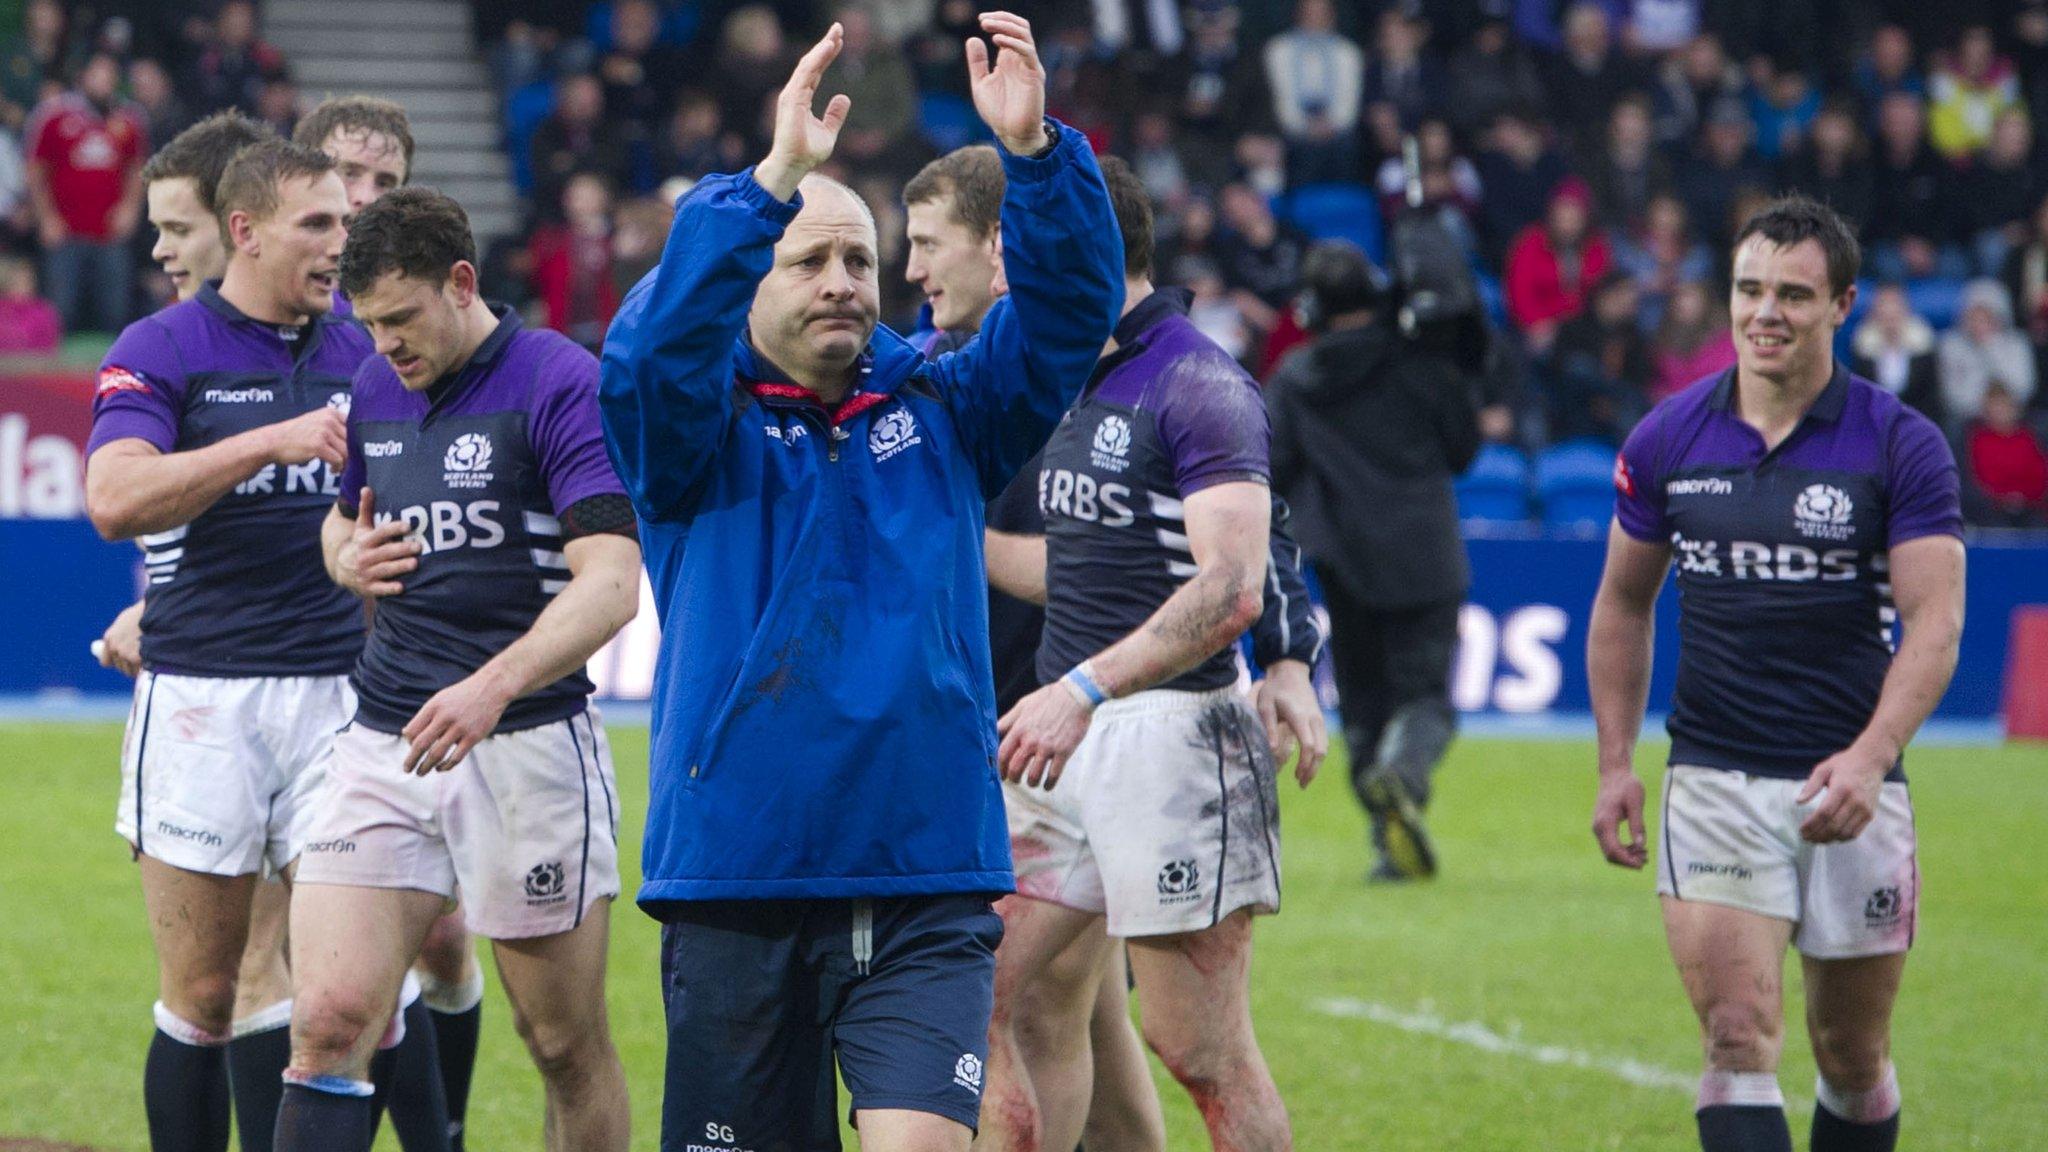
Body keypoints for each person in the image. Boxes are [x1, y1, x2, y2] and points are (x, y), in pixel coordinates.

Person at [598, 15, 1122, 1152]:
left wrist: (1035, 162)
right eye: (807, 259)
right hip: (736, 876)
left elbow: (1074, 314)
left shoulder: (947, 403)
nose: (842, 282)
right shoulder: (685, 437)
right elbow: (644, 355)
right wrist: (769, 180)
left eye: (858, 262)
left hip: (920, 874)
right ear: (747, 280)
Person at [902, 147, 1327, 1152]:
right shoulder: (1027, 367)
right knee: (982, 998)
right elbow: (1075, 562)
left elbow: (1236, 566)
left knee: (1196, 1049)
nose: (913, 269)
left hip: (1155, 730)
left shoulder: (1191, 380)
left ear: (1018, 246)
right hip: (1050, 728)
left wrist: (1284, 656)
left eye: (929, 245)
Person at [1590, 195, 1965, 1152]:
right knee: (1736, 1037)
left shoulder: (1900, 444)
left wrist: (1874, 757)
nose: (1766, 312)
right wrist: (1614, 763)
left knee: (1850, 1053)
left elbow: (1936, 622)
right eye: (1749, 290)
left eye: (1793, 295)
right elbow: (1623, 604)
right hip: (1713, 778)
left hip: (1853, 784)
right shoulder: (1668, 440)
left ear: (1843, 304)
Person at [275, 186, 639, 1152]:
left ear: (462, 282)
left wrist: (493, 686)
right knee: (327, 1023)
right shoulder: (376, 387)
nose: (384, 345)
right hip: (383, 738)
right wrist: (339, 554)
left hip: (525, 746)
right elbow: (342, 520)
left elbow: (611, 586)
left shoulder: (560, 380)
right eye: (367, 326)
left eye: (400, 319)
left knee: (561, 1044)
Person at [81, 137, 369, 1152]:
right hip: (205, 702)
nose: (342, 243)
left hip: (341, 703)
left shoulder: (362, 349)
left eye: (345, 222)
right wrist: (264, 442)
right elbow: (112, 498)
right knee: (204, 993)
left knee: (338, 1002)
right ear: (244, 232)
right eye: (319, 224)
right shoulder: (164, 345)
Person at [296, 94, 491, 1152]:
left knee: (448, 947)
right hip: (300, 674)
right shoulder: (293, 327)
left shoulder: (435, 326)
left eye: (379, 180)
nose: (357, 199)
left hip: (413, 674)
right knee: (326, 975)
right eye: (339, 179)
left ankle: (444, 1126)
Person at [1266, 239, 1480, 883]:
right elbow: (1464, 448)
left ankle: (1390, 846)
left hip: (1344, 562)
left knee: (1363, 709)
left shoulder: (1295, 379)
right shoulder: (1420, 363)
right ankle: (1405, 773)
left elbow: (1271, 465)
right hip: (1425, 556)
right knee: (1425, 700)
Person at [25, 50, 147, 333]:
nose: (104, 82)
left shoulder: (129, 119)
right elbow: (35, 170)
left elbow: (137, 168)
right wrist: (45, 218)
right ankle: (53, 377)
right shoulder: (54, 115)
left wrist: (130, 209)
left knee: (115, 311)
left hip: (109, 232)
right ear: (83, 77)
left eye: (110, 76)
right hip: (65, 231)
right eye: (98, 75)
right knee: (61, 310)